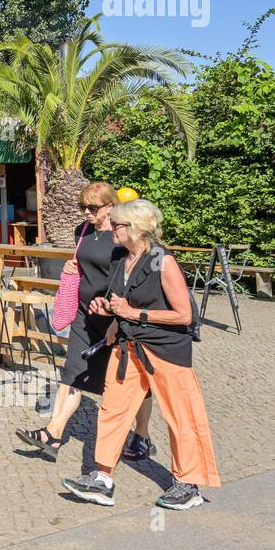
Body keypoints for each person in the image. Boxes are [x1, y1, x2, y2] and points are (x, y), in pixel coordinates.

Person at [62, 199, 221, 510]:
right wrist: (106, 309)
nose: (111, 230)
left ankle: (188, 485)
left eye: (116, 225)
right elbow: (117, 298)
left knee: (181, 416)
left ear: (134, 229)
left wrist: (135, 314)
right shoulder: (122, 257)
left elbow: (184, 315)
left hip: (165, 349)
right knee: (112, 410)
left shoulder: (163, 261)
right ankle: (102, 479)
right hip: (127, 346)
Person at [16, 182, 155, 461]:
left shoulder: (121, 235)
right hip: (84, 314)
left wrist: (119, 308)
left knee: (132, 380)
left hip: (117, 316)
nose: (86, 213)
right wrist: (73, 266)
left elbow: (133, 272)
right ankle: (53, 433)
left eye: (93, 208)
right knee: (72, 372)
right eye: (83, 207)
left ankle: (141, 435)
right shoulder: (82, 231)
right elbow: (85, 263)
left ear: (111, 206)